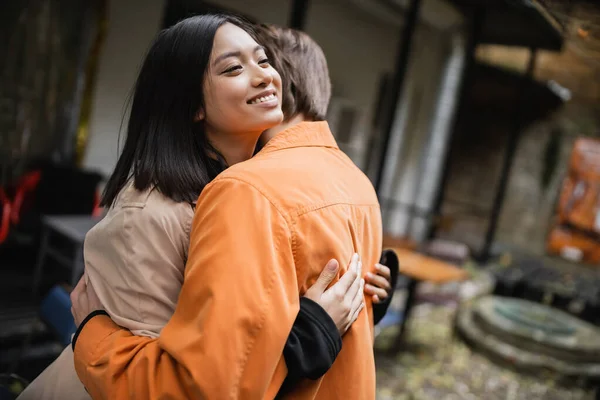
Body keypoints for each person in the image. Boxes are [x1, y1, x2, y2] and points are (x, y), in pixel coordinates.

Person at [18, 15, 395, 400]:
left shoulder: (245, 192)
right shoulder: (151, 213)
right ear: (193, 104)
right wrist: (302, 340)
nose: (265, 76)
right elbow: (165, 384)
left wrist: (345, 312)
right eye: (234, 67)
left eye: (264, 61)